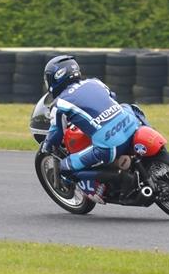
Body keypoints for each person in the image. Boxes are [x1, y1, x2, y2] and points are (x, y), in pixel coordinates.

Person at [40, 55, 148, 204]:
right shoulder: (94, 82)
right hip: (132, 125)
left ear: (55, 78)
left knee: (65, 167)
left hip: (111, 146)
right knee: (129, 107)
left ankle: (118, 177)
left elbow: (56, 134)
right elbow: (111, 97)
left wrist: (46, 146)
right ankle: (148, 132)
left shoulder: (60, 104)